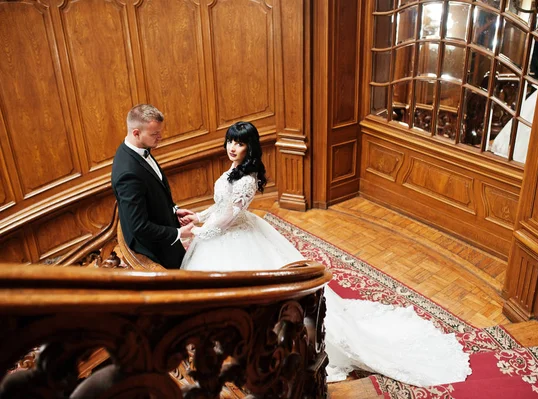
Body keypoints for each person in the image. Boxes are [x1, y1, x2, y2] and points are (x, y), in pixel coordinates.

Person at [180, 121, 472, 386]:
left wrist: (197, 232)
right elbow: (220, 205)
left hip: (235, 235)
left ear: (250, 147)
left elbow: (230, 215)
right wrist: (199, 215)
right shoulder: (233, 170)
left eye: (239, 143)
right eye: (230, 141)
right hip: (226, 232)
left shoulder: (247, 179)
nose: (232, 147)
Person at [111, 104, 196, 269]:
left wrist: (173, 210)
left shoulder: (138, 148)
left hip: (162, 228)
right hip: (155, 248)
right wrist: (178, 233)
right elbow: (139, 227)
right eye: (155, 134)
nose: (160, 137)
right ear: (136, 133)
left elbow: (153, 194)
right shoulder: (128, 174)